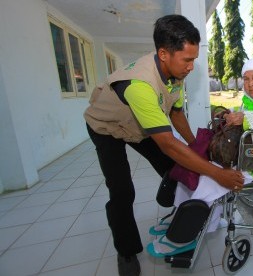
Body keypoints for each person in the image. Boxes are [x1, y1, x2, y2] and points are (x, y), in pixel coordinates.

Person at [83, 14, 244, 276]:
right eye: (188, 60)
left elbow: (176, 113)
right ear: (164, 53)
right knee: (122, 190)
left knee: (178, 166)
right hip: (106, 128)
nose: (192, 66)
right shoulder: (139, 86)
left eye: (194, 59)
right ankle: (126, 251)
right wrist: (217, 173)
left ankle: (177, 212)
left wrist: (196, 146)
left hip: (137, 125)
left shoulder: (174, 73)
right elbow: (168, 143)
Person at [147, 58, 253, 257]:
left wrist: (245, 118)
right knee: (196, 168)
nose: (250, 83)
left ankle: (184, 234)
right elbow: (243, 114)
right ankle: (182, 217)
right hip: (247, 149)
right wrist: (231, 114)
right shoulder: (250, 99)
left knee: (211, 178)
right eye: (246, 78)